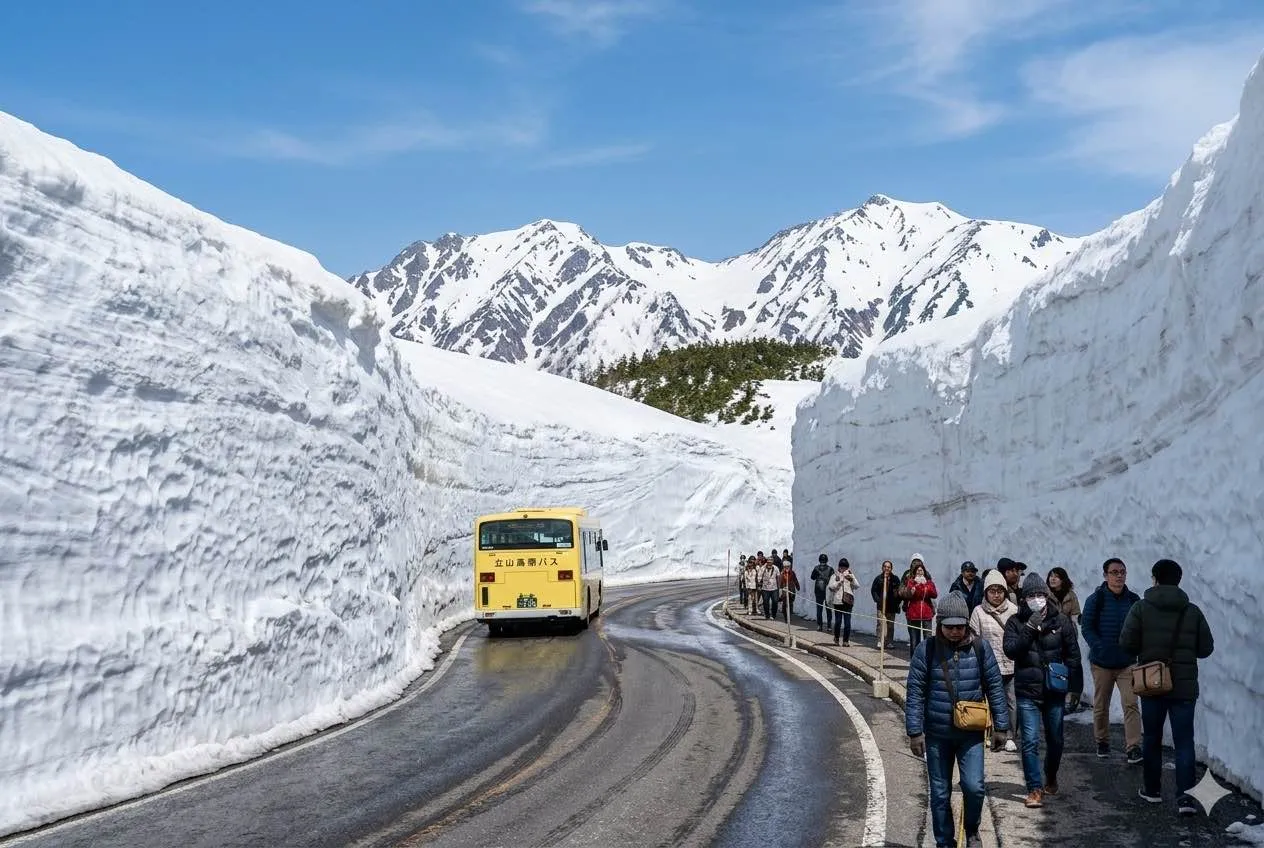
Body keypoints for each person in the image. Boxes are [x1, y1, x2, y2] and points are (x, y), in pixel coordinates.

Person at [906, 593, 1010, 848]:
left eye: (959, 626)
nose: (954, 631)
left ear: (967, 625)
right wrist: (914, 731)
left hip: (971, 734)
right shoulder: (926, 650)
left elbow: (995, 687)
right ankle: (944, 841)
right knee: (940, 794)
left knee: (974, 787)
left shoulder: (980, 648)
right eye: (949, 626)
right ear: (939, 624)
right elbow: (915, 692)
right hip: (937, 735)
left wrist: (1001, 727)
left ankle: (972, 829)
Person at [1120, 558, 1215, 817]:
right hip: (1183, 687)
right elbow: (1206, 649)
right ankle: (1185, 799)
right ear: (1179, 580)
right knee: (1185, 742)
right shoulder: (1192, 611)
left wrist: (1148, 649)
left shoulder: (1140, 608)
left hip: (1152, 684)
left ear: (1155, 578)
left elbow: (1126, 643)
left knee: (1152, 738)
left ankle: (1152, 791)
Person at [1003, 572, 1083, 808]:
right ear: (1024, 599)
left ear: (1046, 596)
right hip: (1027, 691)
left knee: (1056, 739)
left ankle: (1050, 775)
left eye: (1040, 594)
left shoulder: (1062, 622)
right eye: (1031, 596)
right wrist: (1029, 628)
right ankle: (1034, 788)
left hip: (1054, 691)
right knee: (1029, 741)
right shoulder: (1016, 622)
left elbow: (1073, 656)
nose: (1036, 599)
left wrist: (1075, 688)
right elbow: (1011, 651)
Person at [1080, 557, 1142, 763]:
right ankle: (1102, 741)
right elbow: (1087, 627)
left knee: (1131, 703)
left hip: (1127, 662)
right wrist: (1099, 647)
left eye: (1122, 572)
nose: (1119, 576)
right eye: (1114, 572)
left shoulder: (1134, 600)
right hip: (1101, 663)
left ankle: (1133, 746)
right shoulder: (1095, 599)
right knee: (1101, 705)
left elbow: (1140, 628)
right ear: (1105, 575)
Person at [968, 569, 1018, 752]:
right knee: (986, 701)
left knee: (1010, 701)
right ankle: (987, 734)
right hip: (987, 665)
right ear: (986, 592)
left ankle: (1009, 735)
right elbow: (974, 638)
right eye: (992, 591)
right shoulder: (978, 612)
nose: (996, 595)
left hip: (1010, 663)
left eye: (1000, 591)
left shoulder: (1014, 610)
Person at [903, 557, 938, 657]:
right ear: (915, 572)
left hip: (926, 613)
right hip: (914, 614)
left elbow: (934, 594)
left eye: (921, 570)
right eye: (918, 570)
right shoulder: (911, 582)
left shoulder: (929, 582)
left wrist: (925, 585)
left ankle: (928, 660)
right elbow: (908, 595)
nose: (919, 571)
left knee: (928, 639)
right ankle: (914, 660)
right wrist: (916, 586)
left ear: (924, 571)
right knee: (915, 641)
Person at [827, 558, 858, 646]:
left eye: (845, 568)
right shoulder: (834, 576)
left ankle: (846, 640)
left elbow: (857, 586)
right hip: (838, 602)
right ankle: (836, 638)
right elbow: (831, 587)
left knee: (847, 623)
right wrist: (839, 582)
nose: (843, 569)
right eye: (842, 567)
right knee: (838, 622)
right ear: (839, 567)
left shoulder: (851, 575)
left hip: (848, 601)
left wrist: (851, 579)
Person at [871, 560, 901, 649]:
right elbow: (873, 590)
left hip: (891, 607)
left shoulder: (895, 579)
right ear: (882, 567)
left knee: (890, 625)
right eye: (885, 566)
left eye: (888, 567)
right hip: (881, 606)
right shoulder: (878, 578)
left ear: (891, 568)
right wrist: (878, 600)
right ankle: (880, 641)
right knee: (880, 624)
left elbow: (899, 592)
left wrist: (897, 602)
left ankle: (889, 642)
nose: (886, 568)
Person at [811, 554, 835, 632]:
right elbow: (833, 579)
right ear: (826, 560)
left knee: (819, 609)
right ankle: (829, 626)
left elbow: (812, 577)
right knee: (828, 609)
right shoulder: (830, 569)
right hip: (827, 590)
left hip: (818, 591)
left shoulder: (816, 568)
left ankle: (819, 626)